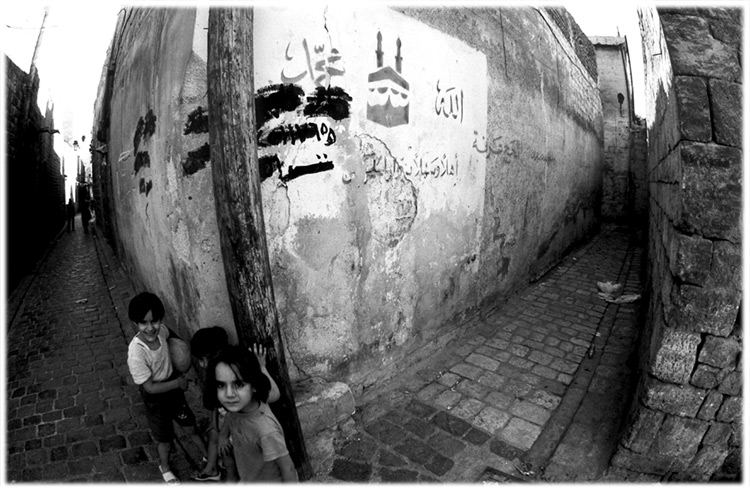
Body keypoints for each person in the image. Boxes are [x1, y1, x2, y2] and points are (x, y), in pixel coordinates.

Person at [126, 292, 208, 484]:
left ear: (160, 319)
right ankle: (165, 466)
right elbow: (150, 388)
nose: (150, 327)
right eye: (143, 323)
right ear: (134, 324)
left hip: (174, 391)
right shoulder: (136, 353)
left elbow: (172, 337)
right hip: (156, 400)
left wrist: (182, 356)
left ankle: (208, 456)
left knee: (190, 426)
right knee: (165, 439)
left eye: (154, 321)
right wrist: (178, 383)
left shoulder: (162, 330)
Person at [189, 327, 280, 482]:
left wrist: (261, 367)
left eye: (204, 359)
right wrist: (216, 429)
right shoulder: (214, 380)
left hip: (242, 433)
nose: (202, 365)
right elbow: (215, 408)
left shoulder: (241, 379)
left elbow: (274, 395)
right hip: (228, 430)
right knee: (229, 462)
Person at [205, 345, 298, 482]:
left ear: (254, 385)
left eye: (238, 384)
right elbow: (230, 418)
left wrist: (262, 367)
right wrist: (223, 436)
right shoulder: (237, 408)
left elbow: (288, 468)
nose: (229, 394)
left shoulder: (266, 431)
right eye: (221, 385)